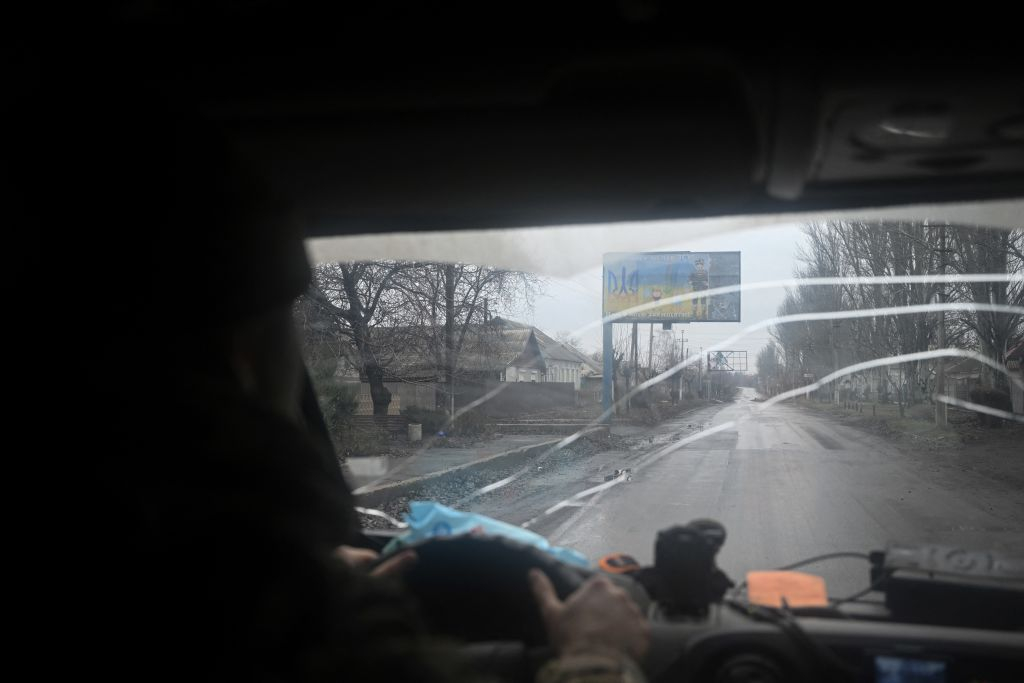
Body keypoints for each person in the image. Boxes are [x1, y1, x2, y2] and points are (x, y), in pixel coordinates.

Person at [77, 88, 650, 683]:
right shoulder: (269, 618)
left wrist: (313, 584)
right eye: (287, 320)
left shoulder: (217, 584)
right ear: (243, 353)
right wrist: (597, 658)